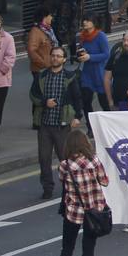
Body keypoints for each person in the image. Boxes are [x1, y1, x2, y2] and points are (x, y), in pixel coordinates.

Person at [51, 129, 109, 256]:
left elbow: (64, 183)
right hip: (93, 211)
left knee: (67, 247)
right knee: (88, 248)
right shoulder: (94, 161)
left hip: (73, 211)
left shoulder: (64, 165)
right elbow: (105, 181)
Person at [30, 46, 84, 199]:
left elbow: (77, 98)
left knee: (65, 159)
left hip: (62, 125)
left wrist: (78, 117)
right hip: (45, 124)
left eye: (59, 56)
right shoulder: (42, 76)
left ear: (64, 59)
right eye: (53, 55)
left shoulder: (70, 77)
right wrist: (44, 102)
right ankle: (47, 188)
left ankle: (69, 187)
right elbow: (32, 95)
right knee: (44, 158)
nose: (55, 58)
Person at [74, 14, 109, 116]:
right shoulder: (82, 36)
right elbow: (81, 51)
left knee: (104, 103)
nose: (84, 22)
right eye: (84, 20)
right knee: (86, 101)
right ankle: (90, 127)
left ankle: (107, 125)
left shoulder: (101, 36)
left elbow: (106, 54)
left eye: (88, 20)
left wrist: (90, 57)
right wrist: (80, 55)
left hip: (100, 73)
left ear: (94, 23)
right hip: (87, 73)